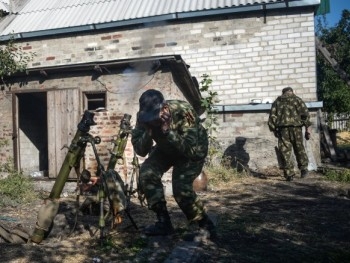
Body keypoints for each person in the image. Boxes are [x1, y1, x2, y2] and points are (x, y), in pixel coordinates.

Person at [131, 89, 215, 238]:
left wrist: (167, 131)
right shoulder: (143, 117)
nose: (151, 120)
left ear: (164, 108)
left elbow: (189, 150)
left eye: (153, 117)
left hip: (192, 150)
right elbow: (140, 150)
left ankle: (205, 225)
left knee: (181, 188)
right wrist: (148, 132)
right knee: (147, 173)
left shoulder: (183, 111)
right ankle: (164, 223)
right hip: (166, 148)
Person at [268, 87, 311, 181]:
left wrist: (274, 129)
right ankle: (303, 169)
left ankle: (289, 174)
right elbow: (305, 115)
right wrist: (307, 129)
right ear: (292, 92)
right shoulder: (298, 100)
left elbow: (272, 116)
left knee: (285, 151)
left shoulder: (277, 101)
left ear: (283, 92)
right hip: (297, 129)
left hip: (283, 129)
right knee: (299, 148)